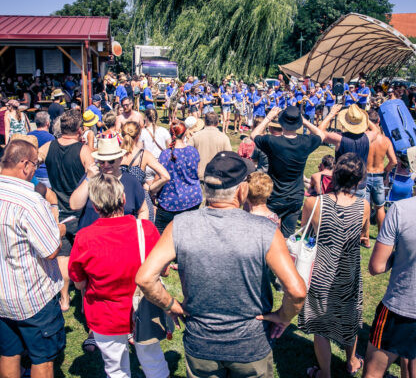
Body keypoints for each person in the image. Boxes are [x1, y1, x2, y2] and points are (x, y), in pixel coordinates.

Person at [135, 151, 307, 378]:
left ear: (206, 188)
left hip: (200, 343)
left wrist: (170, 305)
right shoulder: (266, 230)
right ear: (242, 190)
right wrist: (283, 317)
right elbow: (296, 291)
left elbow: (145, 278)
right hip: (251, 346)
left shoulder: (180, 225)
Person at [68, 174, 169, 378]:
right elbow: (164, 270)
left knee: (115, 369)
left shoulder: (84, 238)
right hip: (144, 310)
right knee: (153, 362)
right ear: (123, 199)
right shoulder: (146, 230)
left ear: (95, 207)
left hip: (105, 315)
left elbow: (79, 283)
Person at [363, 133, 416, 378]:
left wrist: (402, 255)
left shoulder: (401, 210)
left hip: (402, 305)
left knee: (374, 371)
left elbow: (376, 266)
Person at [299, 153, 370, 378]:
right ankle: (351, 362)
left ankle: (325, 373)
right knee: (349, 320)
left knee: (320, 328)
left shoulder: (314, 202)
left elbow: (304, 233)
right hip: (348, 272)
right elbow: (363, 236)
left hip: (321, 271)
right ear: (359, 180)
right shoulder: (364, 206)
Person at [0, 140, 65, 378]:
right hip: (32, 297)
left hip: (2, 294)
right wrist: (58, 231)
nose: (36, 170)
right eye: (36, 165)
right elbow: (50, 250)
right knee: (43, 359)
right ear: (25, 165)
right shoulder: (30, 201)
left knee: (8, 353)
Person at [38, 109, 95, 312]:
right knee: (84, 258)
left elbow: (34, 158)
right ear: (79, 130)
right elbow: (92, 173)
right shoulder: (83, 150)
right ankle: (83, 299)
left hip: (58, 211)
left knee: (63, 257)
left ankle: (64, 299)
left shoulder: (47, 146)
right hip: (81, 212)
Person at [251, 106, 324, 237]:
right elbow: (321, 135)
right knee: (288, 237)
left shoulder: (272, 141)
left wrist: (268, 117)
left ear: (281, 122)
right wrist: (305, 121)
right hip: (295, 196)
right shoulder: (305, 142)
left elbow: (254, 134)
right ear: (298, 124)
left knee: (268, 235)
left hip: (275, 195)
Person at [319, 104, 379, 199]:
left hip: (342, 184)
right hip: (360, 183)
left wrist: (331, 113)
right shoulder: (368, 137)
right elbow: (376, 129)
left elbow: (319, 131)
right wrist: (363, 116)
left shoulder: (339, 138)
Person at [155, 121, 203, 233]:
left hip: (169, 202)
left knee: (163, 236)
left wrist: (151, 190)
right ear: (185, 133)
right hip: (192, 199)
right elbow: (198, 172)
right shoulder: (193, 152)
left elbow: (159, 177)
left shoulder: (165, 155)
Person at [120, 122, 170, 221]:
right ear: (138, 136)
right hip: (141, 202)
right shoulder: (143, 155)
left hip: (119, 201)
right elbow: (166, 176)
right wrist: (150, 188)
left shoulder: (116, 154)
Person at [365, 110, 397, 234]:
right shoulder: (385, 140)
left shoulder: (365, 138)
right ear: (378, 121)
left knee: (365, 208)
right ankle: (381, 234)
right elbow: (393, 161)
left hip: (365, 174)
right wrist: (385, 171)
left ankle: (365, 236)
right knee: (380, 207)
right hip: (379, 175)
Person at [188, 112, 232, 181]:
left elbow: (188, 155)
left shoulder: (195, 136)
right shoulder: (224, 137)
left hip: (199, 175)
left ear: (205, 122)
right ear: (217, 123)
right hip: (217, 176)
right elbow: (229, 158)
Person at [28, 111, 55, 187]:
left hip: (32, 173)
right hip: (46, 173)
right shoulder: (51, 138)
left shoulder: (29, 135)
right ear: (47, 123)